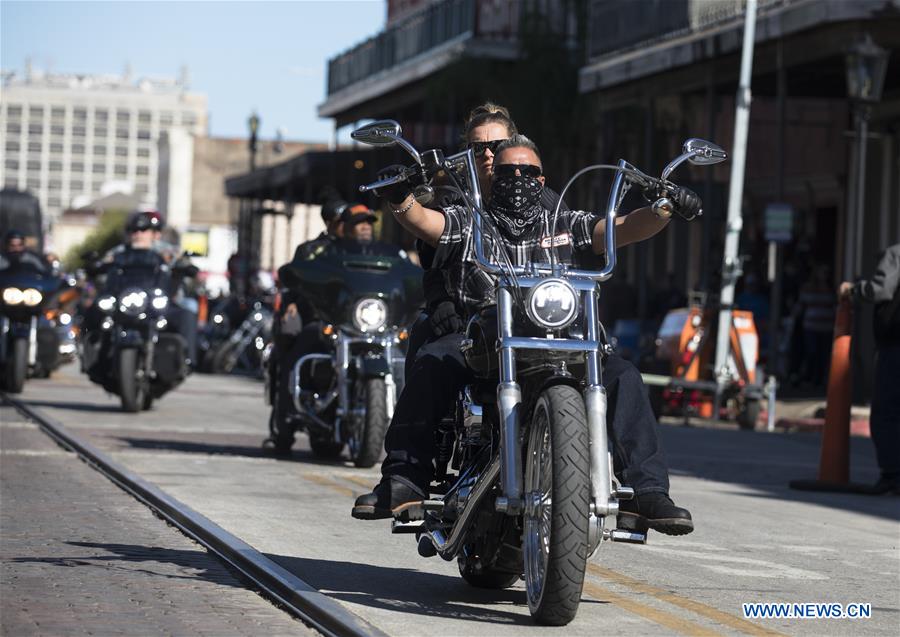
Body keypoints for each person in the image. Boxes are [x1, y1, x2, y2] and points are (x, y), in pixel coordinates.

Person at [353, 134, 701, 535]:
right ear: (493, 177)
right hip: (484, 340)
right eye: (507, 172)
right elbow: (427, 222)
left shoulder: (565, 222)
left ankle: (648, 492)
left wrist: (664, 208)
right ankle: (404, 481)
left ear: (541, 179)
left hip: (561, 340)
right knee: (433, 361)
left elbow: (623, 228)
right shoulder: (471, 220)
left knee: (623, 376)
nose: (517, 178)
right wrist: (401, 198)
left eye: (527, 171)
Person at [840, 243, 900, 495]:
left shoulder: (897, 254)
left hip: (896, 345)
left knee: (886, 411)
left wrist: (853, 291)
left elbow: (880, 289)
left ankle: (892, 476)